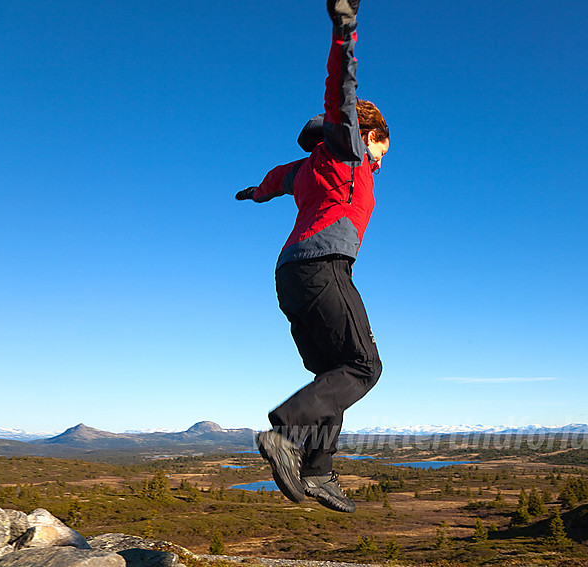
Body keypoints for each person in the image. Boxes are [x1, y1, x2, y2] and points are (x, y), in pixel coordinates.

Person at [235, 0, 388, 513]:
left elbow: (276, 180)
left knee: (335, 374)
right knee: (365, 367)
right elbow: (341, 89)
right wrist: (345, 29)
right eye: (380, 152)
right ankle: (283, 431)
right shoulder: (345, 148)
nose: (378, 164)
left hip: (289, 277)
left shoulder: (303, 169)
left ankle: (319, 472)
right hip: (323, 269)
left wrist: (255, 193)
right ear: (366, 134)